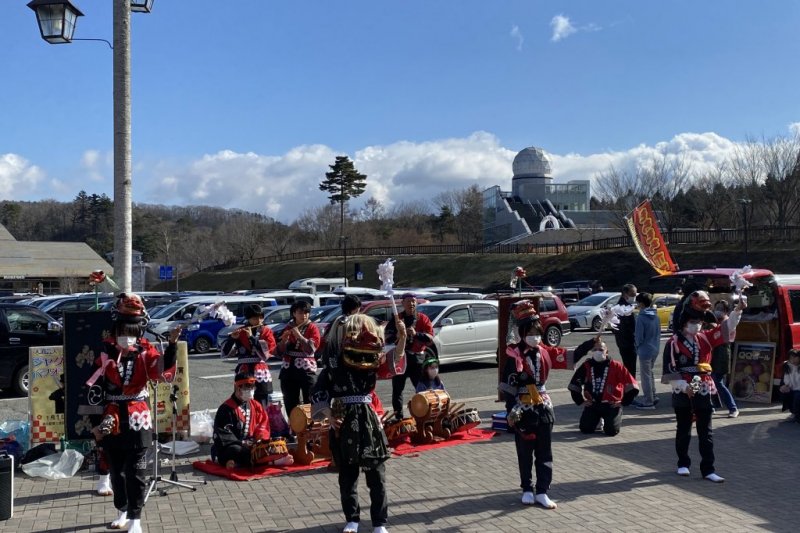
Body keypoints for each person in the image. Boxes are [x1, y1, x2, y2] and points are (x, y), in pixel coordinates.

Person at [89, 293, 178, 533]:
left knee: (136, 470)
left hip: (138, 416)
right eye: (122, 333)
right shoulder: (105, 354)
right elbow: (92, 386)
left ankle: (136, 519)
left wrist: (170, 348)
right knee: (116, 470)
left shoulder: (146, 353)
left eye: (132, 333)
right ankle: (122, 510)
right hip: (112, 415)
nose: (127, 338)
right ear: (115, 331)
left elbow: (160, 371)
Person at [311, 313, 399, 533]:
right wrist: (329, 415)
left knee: (376, 474)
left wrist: (403, 340)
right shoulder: (332, 363)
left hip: (368, 418)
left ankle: (379, 522)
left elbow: (389, 363)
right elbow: (319, 391)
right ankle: (352, 519)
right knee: (347, 474)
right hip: (343, 418)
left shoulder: (370, 358)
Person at [663, 290, 746, 483]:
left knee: (705, 430)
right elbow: (669, 369)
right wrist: (683, 386)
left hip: (704, 385)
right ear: (684, 322)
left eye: (699, 321)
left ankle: (708, 469)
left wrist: (738, 310)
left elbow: (726, 327)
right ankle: (683, 463)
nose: (696, 325)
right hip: (682, 386)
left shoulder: (706, 337)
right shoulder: (673, 343)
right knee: (683, 427)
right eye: (693, 321)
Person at [499, 300, 558, 510]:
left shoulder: (544, 351)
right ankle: (526, 488)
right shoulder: (514, 355)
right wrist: (511, 414)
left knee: (545, 451)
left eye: (538, 332)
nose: (536, 336)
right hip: (523, 410)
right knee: (525, 452)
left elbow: (565, 357)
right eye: (531, 332)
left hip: (543, 407)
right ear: (523, 333)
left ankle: (542, 491)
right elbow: (508, 389)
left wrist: (589, 346)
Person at [213, 372, 292, 468]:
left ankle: (236, 463)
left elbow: (263, 425)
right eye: (247, 387)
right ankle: (272, 462)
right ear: (238, 388)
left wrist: (260, 441)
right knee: (237, 450)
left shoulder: (255, 405)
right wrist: (242, 443)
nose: (251, 390)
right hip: (234, 445)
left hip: (252, 442)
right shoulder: (226, 409)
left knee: (271, 446)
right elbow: (223, 434)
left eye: (252, 387)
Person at [569, 335, 639, 436]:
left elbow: (632, 384)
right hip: (593, 404)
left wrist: (623, 402)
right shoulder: (586, 365)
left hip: (611, 404)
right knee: (585, 429)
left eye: (601, 349)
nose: (598, 351)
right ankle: (596, 420)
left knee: (611, 431)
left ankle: (615, 415)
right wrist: (581, 401)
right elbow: (575, 384)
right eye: (595, 349)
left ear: (606, 352)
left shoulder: (616, 366)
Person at [386, 293, 434, 420]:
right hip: (400, 359)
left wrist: (416, 334)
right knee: (397, 390)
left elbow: (430, 338)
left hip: (417, 359)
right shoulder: (397, 319)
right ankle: (398, 417)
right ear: (402, 304)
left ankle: (424, 415)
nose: (411, 304)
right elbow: (387, 338)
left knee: (422, 389)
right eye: (408, 301)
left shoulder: (423, 318)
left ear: (416, 303)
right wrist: (397, 335)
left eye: (413, 301)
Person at [222, 303, 277, 408]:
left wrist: (252, 337)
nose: (259, 320)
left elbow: (267, 351)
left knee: (261, 401)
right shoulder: (241, 331)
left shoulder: (266, 331)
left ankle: (261, 422)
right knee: (243, 399)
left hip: (260, 369)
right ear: (248, 318)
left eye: (261, 317)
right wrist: (232, 339)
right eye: (255, 318)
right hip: (244, 370)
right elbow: (225, 352)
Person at [277, 300, 322, 419]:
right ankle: (294, 426)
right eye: (301, 312)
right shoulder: (287, 327)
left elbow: (311, 349)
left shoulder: (312, 328)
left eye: (307, 312)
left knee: (310, 398)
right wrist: (283, 341)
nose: (304, 315)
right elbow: (279, 352)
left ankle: (310, 426)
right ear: (294, 314)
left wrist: (299, 336)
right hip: (288, 368)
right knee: (290, 400)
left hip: (306, 369)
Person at [709, 300, 739, 418]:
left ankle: (733, 407)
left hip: (722, 354)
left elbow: (726, 336)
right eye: (716, 308)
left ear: (726, 311)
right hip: (711, 353)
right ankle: (713, 405)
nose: (718, 311)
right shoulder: (713, 320)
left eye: (721, 308)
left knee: (718, 381)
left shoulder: (728, 322)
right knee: (709, 381)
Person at [633, 292, 660, 410]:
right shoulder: (656, 316)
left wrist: (637, 346)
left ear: (642, 303)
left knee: (645, 376)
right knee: (650, 373)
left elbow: (639, 337)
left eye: (638, 302)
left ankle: (648, 401)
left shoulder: (641, 317)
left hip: (644, 349)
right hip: (655, 348)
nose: (637, 305)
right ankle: (653, 395)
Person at [612, 283, 638, 377]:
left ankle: (629, 387)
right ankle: (631, 388)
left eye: (635, 294)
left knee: (629, 368)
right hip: (627, 343)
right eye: (632, 294)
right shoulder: (622, 308)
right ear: (625, 294)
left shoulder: (624, 305)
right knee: (630, 369)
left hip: (624, 342)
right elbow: (628, 328)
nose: (634, 296)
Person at [779, 349, 800, 422]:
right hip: (792, 388)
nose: (793, 360)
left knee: (797, 396)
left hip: (799, 389)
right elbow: (786, 379)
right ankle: (793, 412)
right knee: (786, 394)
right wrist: (786, 386)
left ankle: (797, 415)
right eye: (791, 358)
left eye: (795, 357)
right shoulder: (787, 366)